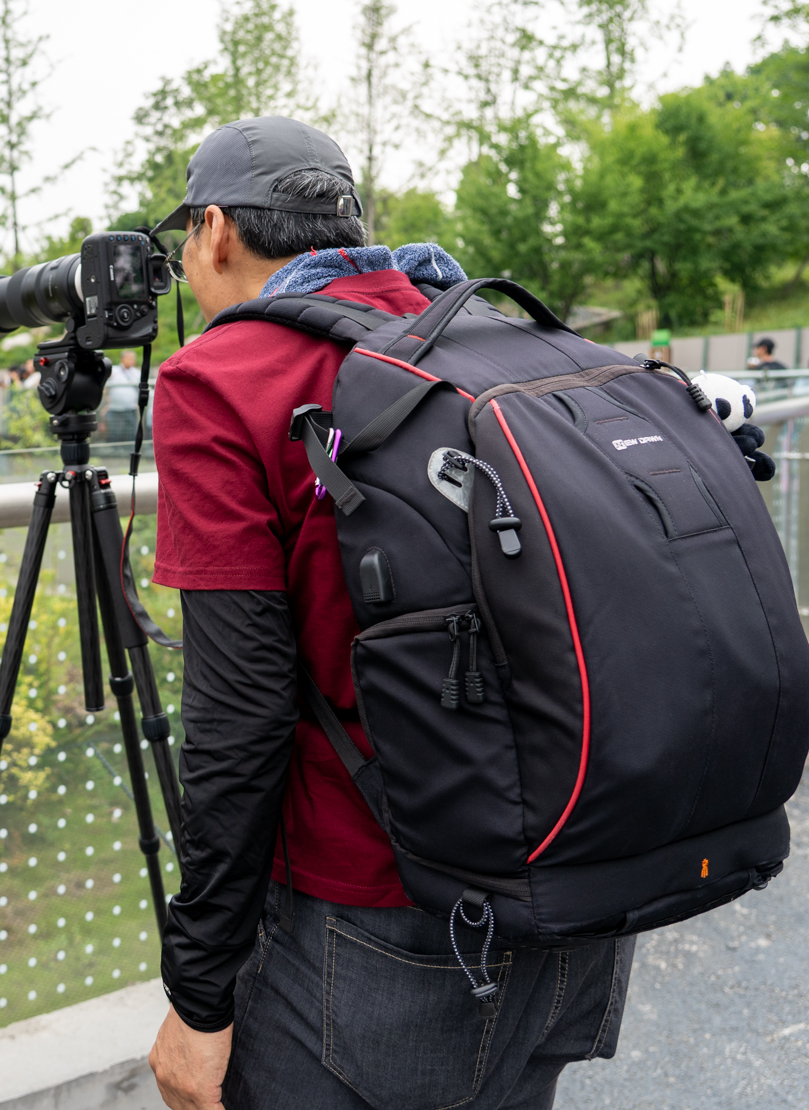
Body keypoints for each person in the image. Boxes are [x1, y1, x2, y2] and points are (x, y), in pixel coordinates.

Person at [146, 116, 634, 1110]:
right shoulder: (486, 335)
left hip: (376, 930)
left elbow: (238, 720)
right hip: (576, 888)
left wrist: (200, 997)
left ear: (216, 231)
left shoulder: (221, 381)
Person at [105, 349, 143, 445]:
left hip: (130, 408)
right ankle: (114, 451)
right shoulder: (113, 370)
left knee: (130, 430)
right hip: (115, 408)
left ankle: (129, 450)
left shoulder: (136, 373)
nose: (132, 360)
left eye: (133, 358)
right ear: (122, 359)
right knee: (114, 431)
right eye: (129, 358)